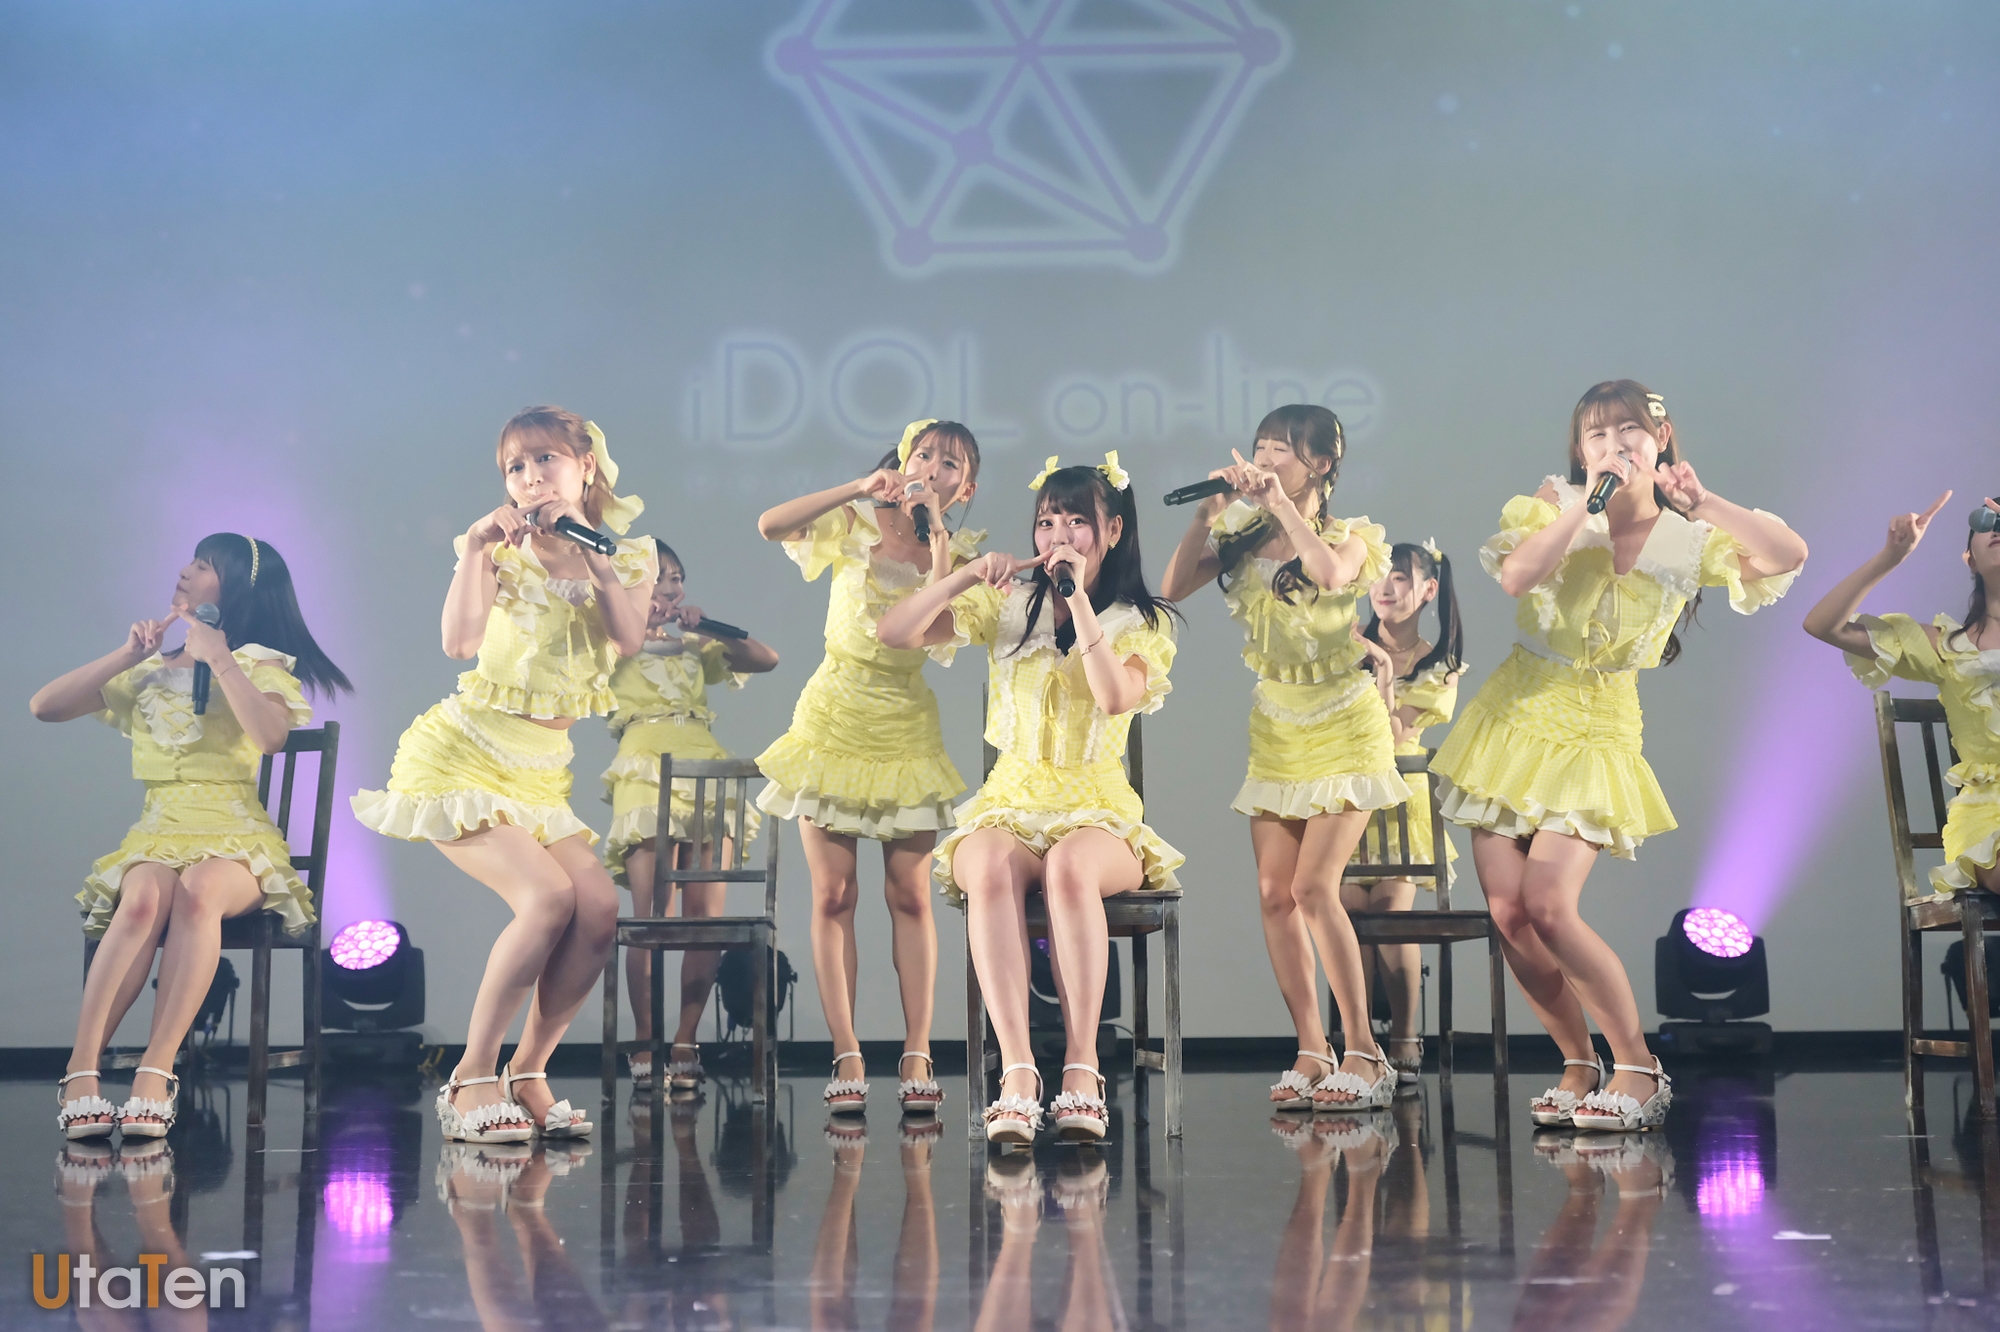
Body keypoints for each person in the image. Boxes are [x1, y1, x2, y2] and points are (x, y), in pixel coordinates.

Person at [1431, 380, 1806, 1131]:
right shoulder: (1556, 504)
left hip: (1599, 725)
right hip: (1514, 717)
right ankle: (1578, 1062)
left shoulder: (1689, 538)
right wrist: (1584, 507)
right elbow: (1515, 576)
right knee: (1508, 912)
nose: (1613, 446)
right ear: (1580, 449)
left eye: (1628, 431)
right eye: (1596, 436)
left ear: (1659, 438)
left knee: (1548, 904)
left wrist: (1705, 503)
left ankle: (1637, 1064)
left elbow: (1787, 554)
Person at [353, 405, 656, 1143]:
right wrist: (476, 551)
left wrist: (593, 555)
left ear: (586, 465)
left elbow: (626, 640)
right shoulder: (496, 549)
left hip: (540, 772)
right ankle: (470, 1077)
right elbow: (459, 643)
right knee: (548, 897)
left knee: (598, 909)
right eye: (515, 467)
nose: (529, 478)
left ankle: (528, 1073)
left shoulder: (628, 557)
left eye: (544, 459)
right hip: (464, 755)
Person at [880, 454, 1179, 1143]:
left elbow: (1114, 697)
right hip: (1010, 801)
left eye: (1077, 522)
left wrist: (1078, 601)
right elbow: (896, 633)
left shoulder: (1141, 621)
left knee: (1071, 867)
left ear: (1112, 531)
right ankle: (1018, 1073)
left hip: (1098, 809)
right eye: (1047, 522)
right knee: (984, 863)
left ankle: (1081, 1069)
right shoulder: (1009, 605)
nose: (1058, 537)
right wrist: (963, 577)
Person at [35, 534, 348, 1140]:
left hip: (237, 838)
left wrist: (221, 659)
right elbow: (44, 707)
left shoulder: (259, 665)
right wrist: (126, 655)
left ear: (235, 591)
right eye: (192, 561)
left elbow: (272, 738)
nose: (185, 570)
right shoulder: (150, 671)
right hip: (159, 831)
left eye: (203, 565)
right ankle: (81, 1070)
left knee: (200, 890)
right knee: (142, 898)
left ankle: (156, 1072)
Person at [1160, 405, 1405, 1113]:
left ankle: (1364, 1050)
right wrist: (1205, 515)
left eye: (1283, 450)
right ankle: (1311, 1047)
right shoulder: (1241, 534)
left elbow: (1327, 574)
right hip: (1277, 723)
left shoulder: (1353, 537)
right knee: (1274, 893)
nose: (1265, 460)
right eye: (1261, 446)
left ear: (1321, 464)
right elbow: (1172, 589)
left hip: (1345, 721)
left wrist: (1280, 508)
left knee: (1314, 888)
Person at [754, 420, 983, 1118]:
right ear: (903, 461)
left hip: (905, 726)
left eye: (950, 463)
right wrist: (857, 486)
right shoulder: (852, 523)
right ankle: (847, 1052)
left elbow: (930, 632)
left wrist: (939, 546)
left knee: (911, 895)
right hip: (831, 720)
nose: (933, 467)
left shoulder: (964, 555)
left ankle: (917, 1051)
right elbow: (770, 525)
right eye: (924, 454)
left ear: (965, 488)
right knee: (833, 895)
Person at [601, 538, 778, 1093]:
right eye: (657, 578)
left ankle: (685, 1040)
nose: (669, 588)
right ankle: (644, 1040)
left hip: (706, 772)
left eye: (675, 578)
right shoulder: (612, 641)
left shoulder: (696, 646)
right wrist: (634, 619)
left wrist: (712, 630)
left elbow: (766, 659)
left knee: (705, 921)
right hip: (645, 770)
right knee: (651, 919)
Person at [1804, 490, 2000, 892]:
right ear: (1970, 559)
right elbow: (1823, 625)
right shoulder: (1944, 646)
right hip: (1989, 814)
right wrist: (1890, 557)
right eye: (1988, 522)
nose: (1997, 529)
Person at [1350, 539, 1466, 1084]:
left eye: (1399, 577)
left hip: (1400, 807)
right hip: (1349, 800)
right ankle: (1358, 1043)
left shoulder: (1441, 666)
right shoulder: (1343, 648)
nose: (1385, 587)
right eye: (1379, 576)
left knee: (1391, 916)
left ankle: (1405, 1034)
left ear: (1427, 590)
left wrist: (1382, 672)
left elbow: (1394, 733)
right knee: (1348, 917)